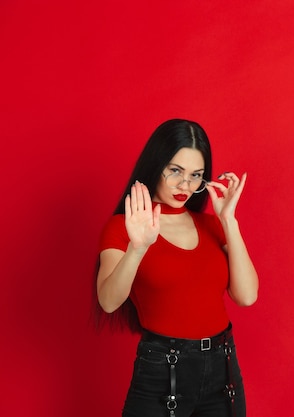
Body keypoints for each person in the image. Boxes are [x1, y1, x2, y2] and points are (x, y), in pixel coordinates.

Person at [95, 119, 258, 417]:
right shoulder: (123, 228)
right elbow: (108, 301)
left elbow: (246, 296)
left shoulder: (211, 225)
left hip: (223, 368)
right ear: (156, 165)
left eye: (196, 175)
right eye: (175, 171)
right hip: (162, 371)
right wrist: (138, 247)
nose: (186, 185)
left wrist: (229, 221)